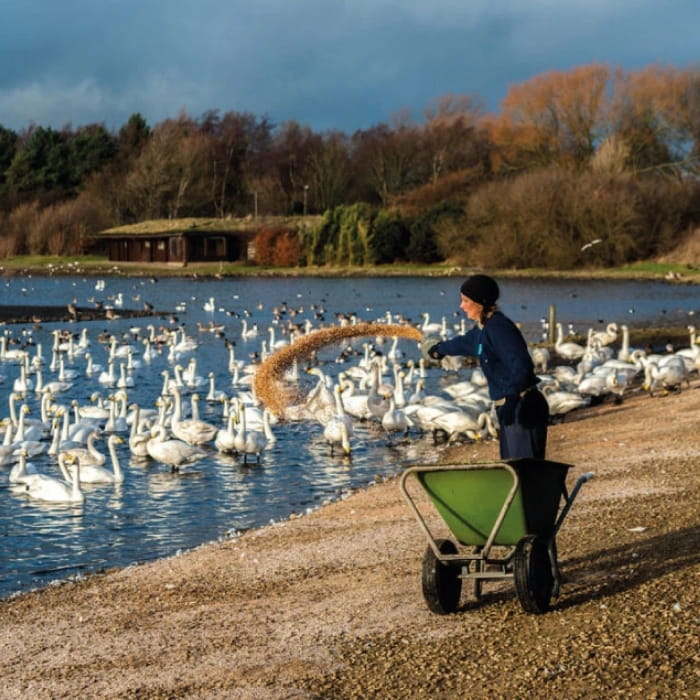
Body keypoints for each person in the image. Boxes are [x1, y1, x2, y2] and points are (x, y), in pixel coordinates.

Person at [422, 274, 548, 460]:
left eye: (466, 301)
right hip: (509, 406)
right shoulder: (484, 329)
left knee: (524, 471)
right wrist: (439, 349)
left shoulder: (499, 328)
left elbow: (520, 363)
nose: (461, 306)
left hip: (523, 407)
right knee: (513, 469)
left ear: (481, 302)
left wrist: (512, 399)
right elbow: (466, 343)